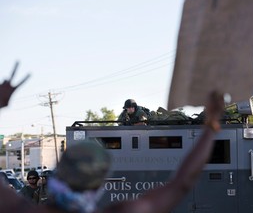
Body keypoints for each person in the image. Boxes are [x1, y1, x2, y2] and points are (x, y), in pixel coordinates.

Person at [0, 91, 224, 213]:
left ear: (59, 173)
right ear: (99, 186)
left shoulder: (19, 207)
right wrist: (211, 126)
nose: (129, 110)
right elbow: (181, 183)